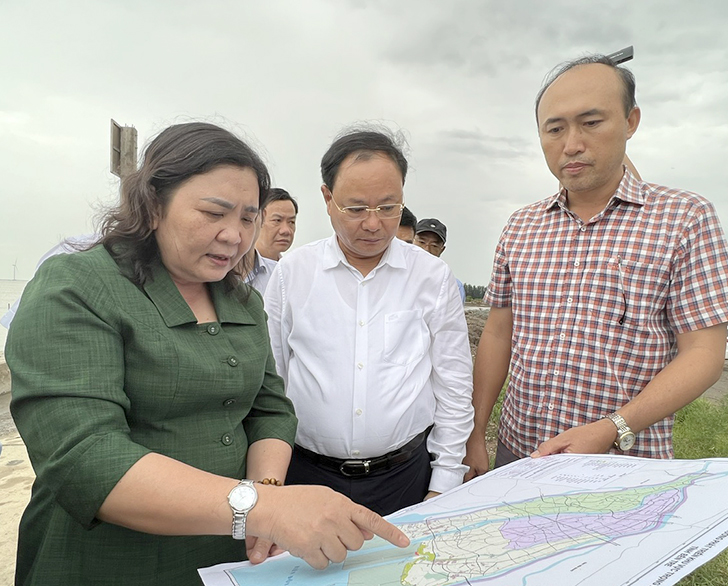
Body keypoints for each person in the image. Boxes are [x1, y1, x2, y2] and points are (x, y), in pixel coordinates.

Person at [7, 122, 408, 585]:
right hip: (106, 563)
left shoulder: (240, 300)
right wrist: (265, 509)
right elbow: (86, 456)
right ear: (152, 205)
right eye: (214, 213)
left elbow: (270, 408)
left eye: (247, 217)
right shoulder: (77, 287)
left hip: (233, 558)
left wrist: (265, 495)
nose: (234, 236)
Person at [464, 55, 728, 479]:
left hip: (622, 467)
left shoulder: (683, 217)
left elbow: (704, 353)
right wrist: (475, 431)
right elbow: (497, 333)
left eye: (592, 122)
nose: (572, 144)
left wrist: (613, 427)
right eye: (555, 128)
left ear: (631, 121)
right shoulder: (521, 226)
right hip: (519, 453)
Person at [264, 128, 474, 516]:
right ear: (328, 199)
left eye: (388, 207)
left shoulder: (432, 277)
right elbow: (271, 378)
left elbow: (454, 385)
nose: (374, 224)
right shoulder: (293, 274)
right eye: (356, 209)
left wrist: (444, 482)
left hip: (405, 479)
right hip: (307, 475)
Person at [242, 188, 298, 296]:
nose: (286, 230)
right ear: (257, 220)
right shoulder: (234, 267)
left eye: (291, 222)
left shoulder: (292, 274)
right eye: (277, 220)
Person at [414, 218, 466, 304]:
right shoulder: (396, 274)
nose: (427, 249)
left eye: (434, 245)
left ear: (442, 250)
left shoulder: (453, 286)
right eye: (422, 242)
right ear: (412, 241)